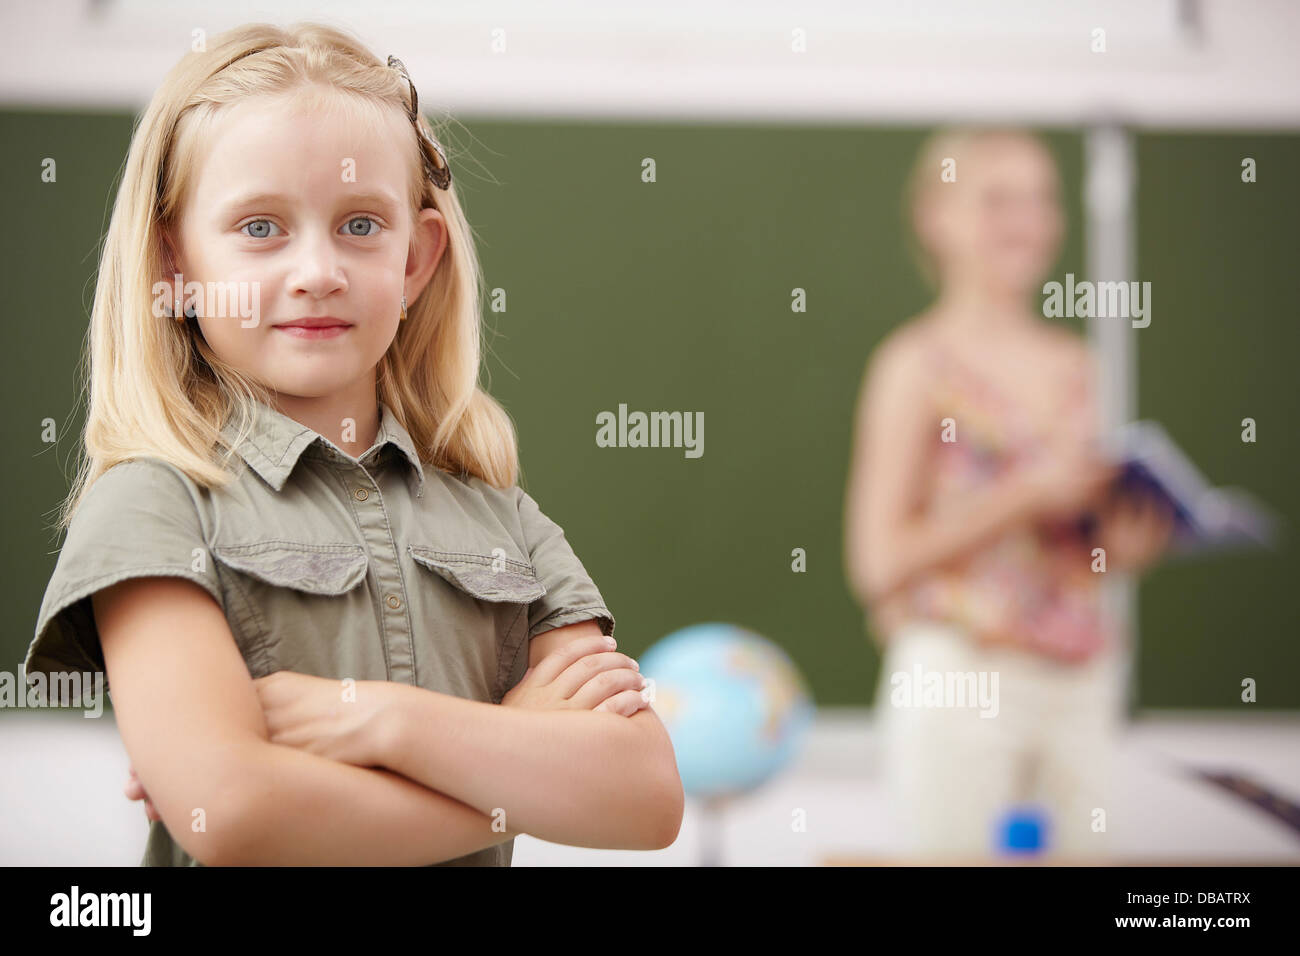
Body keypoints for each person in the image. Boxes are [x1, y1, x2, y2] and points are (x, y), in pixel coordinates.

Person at [25, 22, 683, 866]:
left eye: (361, 225)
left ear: (417, 260)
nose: (318, 271)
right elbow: (229, 814)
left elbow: (644, 795)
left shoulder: (502, 519)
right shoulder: (153, 505)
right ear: (172, 263)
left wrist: (378, 719)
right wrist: (514, 762)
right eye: (260, 228)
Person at [844, 127, 1175, 861]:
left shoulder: (1078, 365)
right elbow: (876, 561)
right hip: (962, 676)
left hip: (1081, 679)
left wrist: (1118, 552)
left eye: (1041, 200)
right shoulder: (914, 365)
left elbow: (1073, 551)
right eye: (997, 200)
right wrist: (1024, 493)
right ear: (937, 217)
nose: (1026, 221)